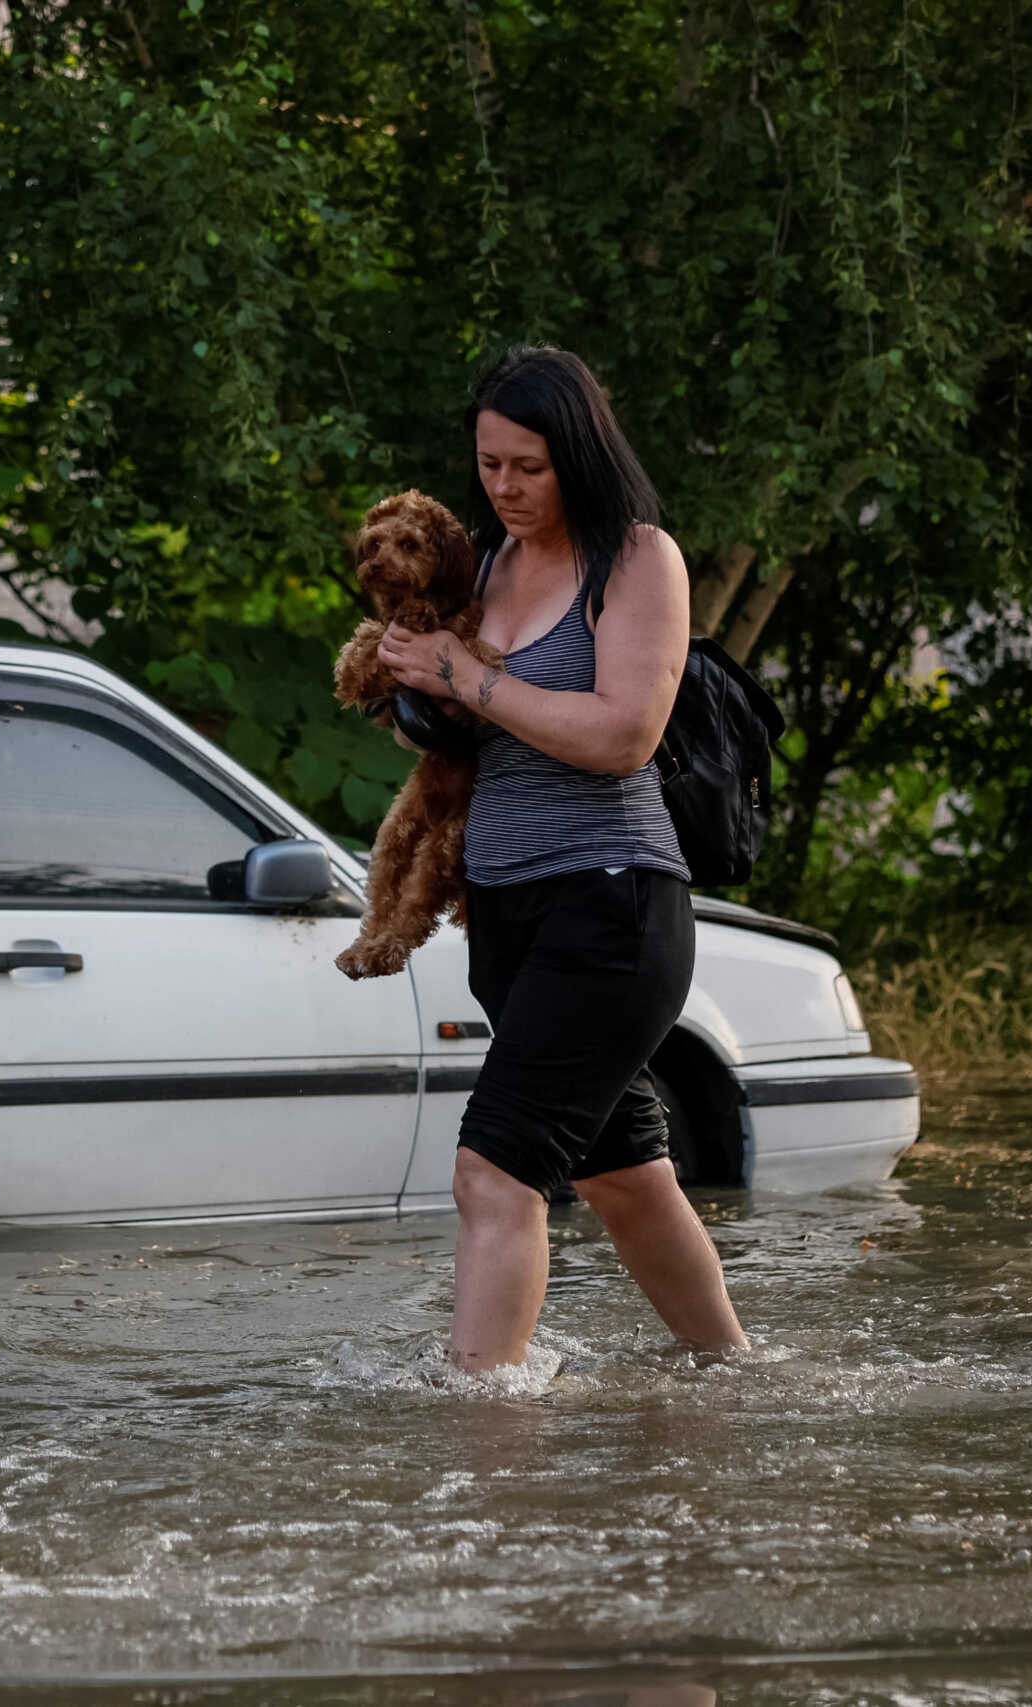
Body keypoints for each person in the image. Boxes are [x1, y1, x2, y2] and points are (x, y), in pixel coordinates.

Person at [369, 344, 748, 1372]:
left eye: (526, 467)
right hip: (506, 911)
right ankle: (733, 1378)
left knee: (492, 1172)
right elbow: (461, 733)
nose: (503, 487)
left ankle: (483, 1435)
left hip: (612, 907)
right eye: (488, 465)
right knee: (625, 1176)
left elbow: (622, 733)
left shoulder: (636, 559)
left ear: (576, 451)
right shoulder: (486, 565)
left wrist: (466, 676)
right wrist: (415, 685)